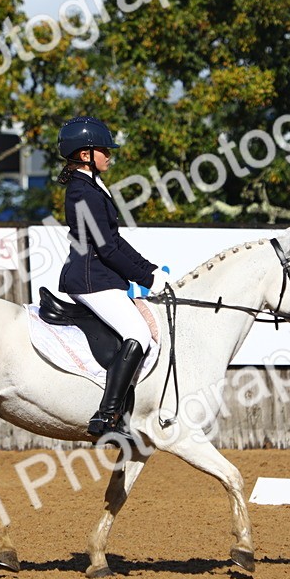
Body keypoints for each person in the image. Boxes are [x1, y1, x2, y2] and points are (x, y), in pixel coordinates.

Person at [55, 116, 170, 437]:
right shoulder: (83, 192)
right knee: (139, 332)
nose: (109, 155)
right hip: (91, 279)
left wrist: (149, 270)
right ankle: (107, 416)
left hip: (99, 276)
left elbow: (115, 241)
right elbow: (106, 248)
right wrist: (148, 279)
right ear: (84, 154)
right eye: (103, 150)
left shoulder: (91, 186)